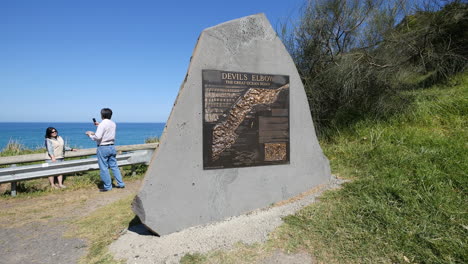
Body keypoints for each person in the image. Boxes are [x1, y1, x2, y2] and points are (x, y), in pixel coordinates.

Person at [85, 108, 125, 192]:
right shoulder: (113, 123)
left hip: (103, 147)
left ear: (102, 115)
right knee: (114, 166)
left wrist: (90, 135)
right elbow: (107, 129)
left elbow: (97, 137)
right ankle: (121, 184)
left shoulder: (102, 124)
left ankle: (108, 187)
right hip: (112, 146)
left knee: (104, 168)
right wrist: (98, 125)